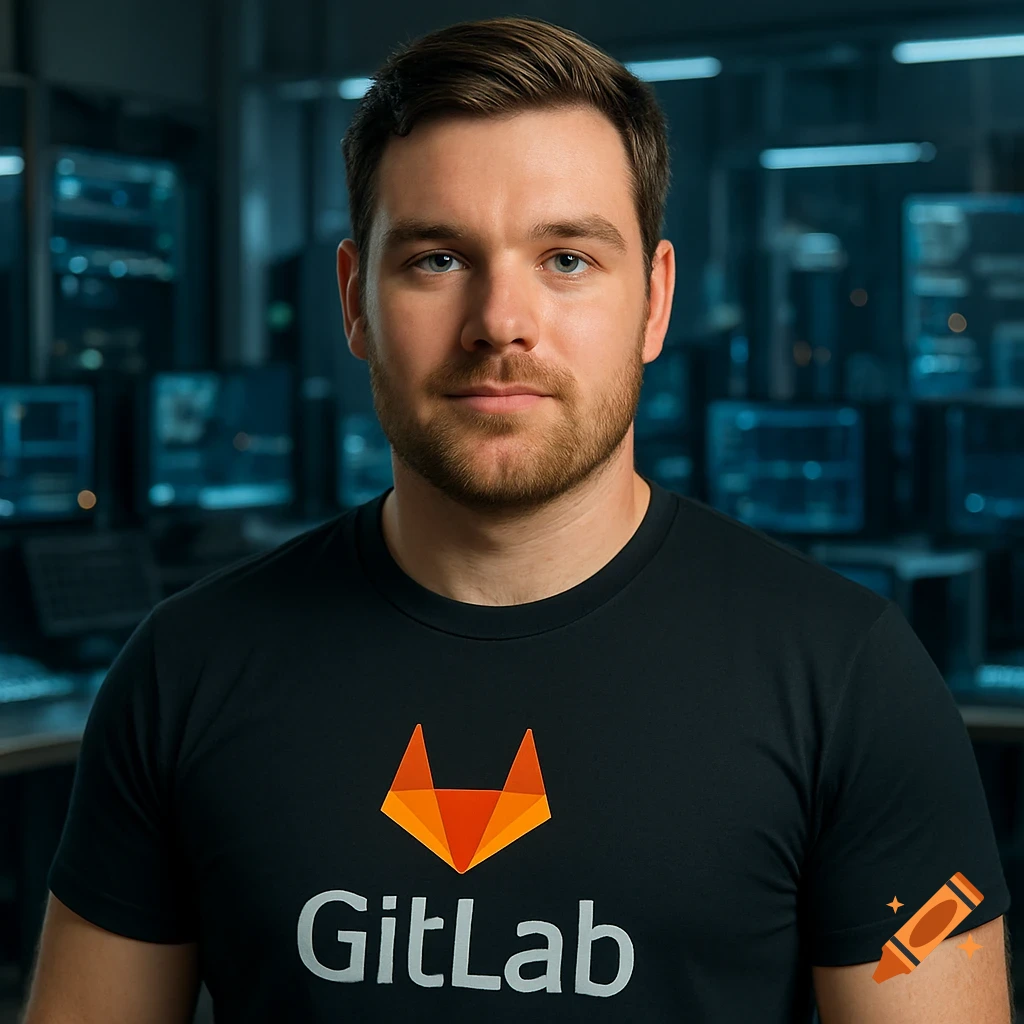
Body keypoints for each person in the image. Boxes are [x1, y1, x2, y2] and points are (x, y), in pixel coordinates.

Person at [22, 15, 1013, 1024]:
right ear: (356, 301)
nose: (500, 319)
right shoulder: (185, 671)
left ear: (655, 300)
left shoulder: (849, 683)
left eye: (568, 258)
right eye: (437, 259)